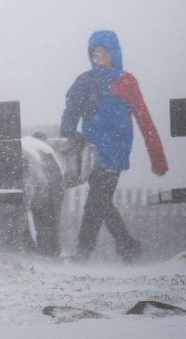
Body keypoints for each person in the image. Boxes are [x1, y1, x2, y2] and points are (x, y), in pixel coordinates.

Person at [59, 29, 168, 262]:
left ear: (114, 53)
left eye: (104, 52)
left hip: (115, 152)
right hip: (90, 153)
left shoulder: (126, 82)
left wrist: (157, 159)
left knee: (95, 203)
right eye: (95, 53)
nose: (99, 57)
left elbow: (144, 120)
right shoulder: (85, 81)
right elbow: (71, 110)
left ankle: (82, 253)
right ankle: (127, 244)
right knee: (101, 202)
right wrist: (69, 134)